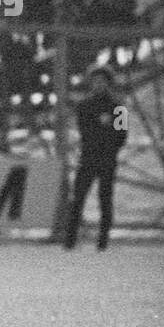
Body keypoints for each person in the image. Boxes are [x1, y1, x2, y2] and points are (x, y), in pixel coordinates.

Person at [62, 65, 127, 250]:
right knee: (78, 198)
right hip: (88, 158)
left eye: (102, 82)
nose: (98, 85)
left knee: (105, 198)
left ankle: (103, 242)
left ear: (108, 83)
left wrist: (108, 146)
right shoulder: (84, 106)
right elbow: (85, 131)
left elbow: (122, 135)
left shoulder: (118, 108)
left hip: (107, 159)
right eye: (95, 81)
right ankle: (70, 241)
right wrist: (103, 133)